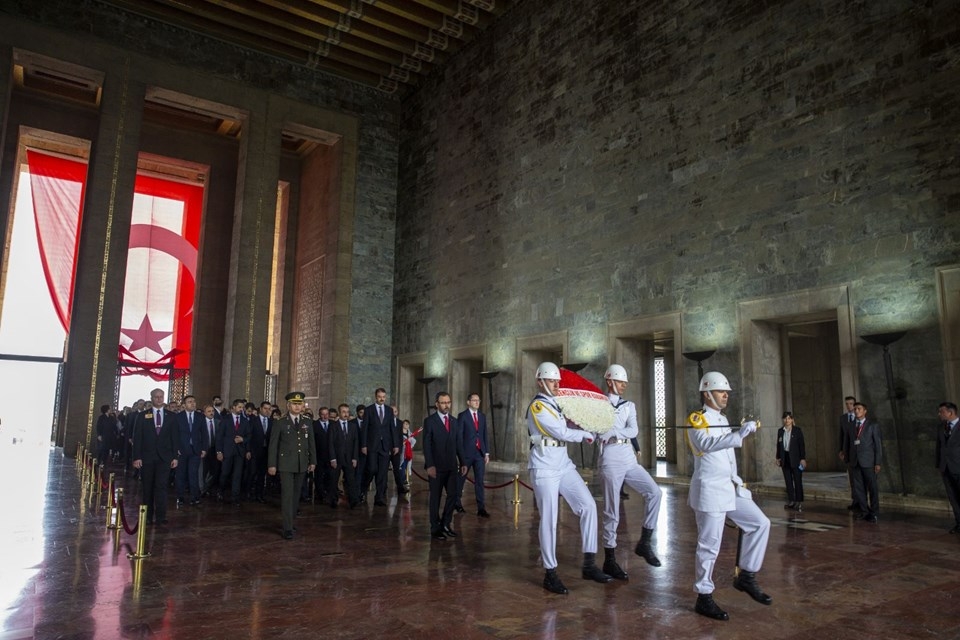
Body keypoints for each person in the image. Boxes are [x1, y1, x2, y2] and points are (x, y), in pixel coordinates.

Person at [687, 371, 771, 621]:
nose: (726, 396)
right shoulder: (696, 420)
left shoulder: (722, 419)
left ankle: (746, 576)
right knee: (709, 545)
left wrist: (737, 482)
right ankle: (704, 596)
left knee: (760, 523)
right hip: (709, 491)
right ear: (707, 393)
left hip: (730, 488)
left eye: (727, 392)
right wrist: (740, 434)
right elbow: (707, 445)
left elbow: (727, 457)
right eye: (722, 392)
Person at [527, 362, 611, 594]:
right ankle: (550, 572)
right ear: (540, 382)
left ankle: (589, 563)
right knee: (549, 519)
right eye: (552, 381)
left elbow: (570, 422)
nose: (556, 385)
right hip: (544, 467)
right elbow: (560, 432)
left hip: (563, 464)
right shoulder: (538, 407)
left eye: (557, 381)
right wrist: (584, 434)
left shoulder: (558, 405)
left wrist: (592, 423)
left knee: (588, 506)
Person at [596, 364, 663, 581]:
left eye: (625, 382)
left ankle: (645, 541)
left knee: (655, 492)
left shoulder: (629, 405)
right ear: (609, 381)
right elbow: (596, 431)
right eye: (620, 381)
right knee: (611, 510)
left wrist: (613, 430)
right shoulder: (598, 404)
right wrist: (603, 433)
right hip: (610, 457)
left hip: (627, 455)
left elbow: (633, 430)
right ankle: (610, 558)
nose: (624, 385)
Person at [267, 392, 316, 540]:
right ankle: (287, 527)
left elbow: (311, 443)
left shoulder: (307, 421)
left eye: (299, 404)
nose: (297, 406)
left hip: (301, 464)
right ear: (288, 405)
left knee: (296, 496)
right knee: (287, 496)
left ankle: (290, 521)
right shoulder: (280, 422)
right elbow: (273, 445)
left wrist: (313, 461)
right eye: (294, 404)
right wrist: (272, 465)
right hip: (286, 464)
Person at [422, 391, 466, 540]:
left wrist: (463, 461)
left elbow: (459, 443)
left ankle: (446, 524)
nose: (446, 405)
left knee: (453, 495)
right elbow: (426, 445)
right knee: (435, 497)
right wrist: (430, 465)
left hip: (452, 466)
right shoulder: (430, 421)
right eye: (443, 402)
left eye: (448, 402)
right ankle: (435, 528)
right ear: (437, 404)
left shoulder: (455, 421)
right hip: (436, 467)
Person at [131, 388, 178, 525]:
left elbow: (175, 437)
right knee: (148, 487)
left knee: (162, 487)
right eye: (156, 397)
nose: (159, 399)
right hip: (147, 457)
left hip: (165, 457)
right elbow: (137, 437)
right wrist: (136, 457)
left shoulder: (171, 416)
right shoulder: (143, 416)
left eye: (161, 396)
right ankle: (148, 516)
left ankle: (161, 516)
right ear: (151, 398)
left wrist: (175, 457)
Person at [842, 401, 882, 522]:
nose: (857, 411)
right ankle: (864, 511)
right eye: (855, 409)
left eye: (859, 409)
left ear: (865, 411)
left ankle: (874, 512)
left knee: (872, 488)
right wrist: (847, 457)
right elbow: (847, 442)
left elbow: (877, 445)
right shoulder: (850, 425)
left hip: (868, 461)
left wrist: (878, 462)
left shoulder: (872, 426)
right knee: (859, 488)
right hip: (855, 461)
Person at [457, 393, 491, 518]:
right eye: (474, 400)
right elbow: (459, 437)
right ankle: (457, 502)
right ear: (468, 402)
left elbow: (484, 435)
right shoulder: (462, 416)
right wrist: (460, 454)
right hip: (466, 454)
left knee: (480, 481)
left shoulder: (482, 416)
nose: (477, 402)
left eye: (478, 400)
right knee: (461, 478)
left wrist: (486, 452)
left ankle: (481, 508)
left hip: (479, 454)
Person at [363, 388, 398, 506]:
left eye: (383, 396)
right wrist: (363, 445)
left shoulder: (389, 410)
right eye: (379, 396)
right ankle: (363, 489)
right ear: (375, 396)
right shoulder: (369, 410)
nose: (382, 398)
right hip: (372, 445)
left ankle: (380, 497)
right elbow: (365, 429)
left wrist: (395, 445)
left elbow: (392, 428)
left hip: (385, 446)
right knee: (372, 469)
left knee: (382, 472)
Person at [217, 399, 252, 505]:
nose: (241, 409)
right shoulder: (225, 419)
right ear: (233, 407)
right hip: (227, 451)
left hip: (240, 451)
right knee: (225, 473)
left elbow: (249, 435)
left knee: (237, 475)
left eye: (242, 407)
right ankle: (220, 491)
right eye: (239, 407)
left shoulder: (245, 421)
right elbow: (219, 436)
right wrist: (219, 451)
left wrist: (243, 440)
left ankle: (235, 497)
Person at [175, 395, 207, 507]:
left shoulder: (200, 416)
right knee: (181, 475)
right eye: (189, 402)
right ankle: (180, 497)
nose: (192, 403)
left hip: (195, 450)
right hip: (181, 451)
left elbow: (204, 434)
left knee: (193, 474)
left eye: (194, 401)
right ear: (184, 405)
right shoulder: (178, 417)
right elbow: (174, 435)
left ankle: (195, 497)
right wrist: (176, 449)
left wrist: (204, 448)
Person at [329, 403, 360, 508]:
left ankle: (353, 500)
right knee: (334, 480)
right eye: (343, 412)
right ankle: (333, 500)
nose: (346, 414)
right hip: (337, 458)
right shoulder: (333, 426)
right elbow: (331, 443)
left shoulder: (353, 426)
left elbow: (356, 443)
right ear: (339, 412)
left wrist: (355, 458)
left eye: (347, 412)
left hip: (349, 458)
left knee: (351, 479)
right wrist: (332, 458)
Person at [935, 402, 960, 533]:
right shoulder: (941, 427)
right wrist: (939, 464)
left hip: (958, 466)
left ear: (950, 412)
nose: (939, 414)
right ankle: (959, 523)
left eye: (941, 412)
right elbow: (939, 447)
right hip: (946, 468)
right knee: (953, 497)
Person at [775, 411, 806, 512]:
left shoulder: (797, 430)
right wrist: (778, 457)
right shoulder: (780, 431)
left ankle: (799, 501)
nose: (787, 420)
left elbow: (802, 445)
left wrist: (803, 458)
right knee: (788, 481)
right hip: (785, 458)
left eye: (789, 418)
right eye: (785, 418)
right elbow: (778, 446)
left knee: (797, 480)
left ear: (792, 419)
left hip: (796, 458)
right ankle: (791, 500)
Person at [249, 401, 273, 502]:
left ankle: (259, 495)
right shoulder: (253, 421)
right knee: (252, 473)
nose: (267, 411)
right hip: (254, 451)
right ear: (260, 408)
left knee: (262, 474)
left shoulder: (272, 422)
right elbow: (249, 437)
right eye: (265, 408)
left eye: (269, 409)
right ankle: (248, 492)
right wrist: (248, 450)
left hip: (266, 452)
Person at [838, 396, 858, 510]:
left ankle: (861, 501)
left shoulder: (859, 418)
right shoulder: (843, 418)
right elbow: (841, 435)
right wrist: (841, 450)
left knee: (859, 478)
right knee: (851, 478)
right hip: (848, 452)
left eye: (851, 403)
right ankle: (854, 500)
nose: (849, 406)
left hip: (858, 452)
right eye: (847, 404)